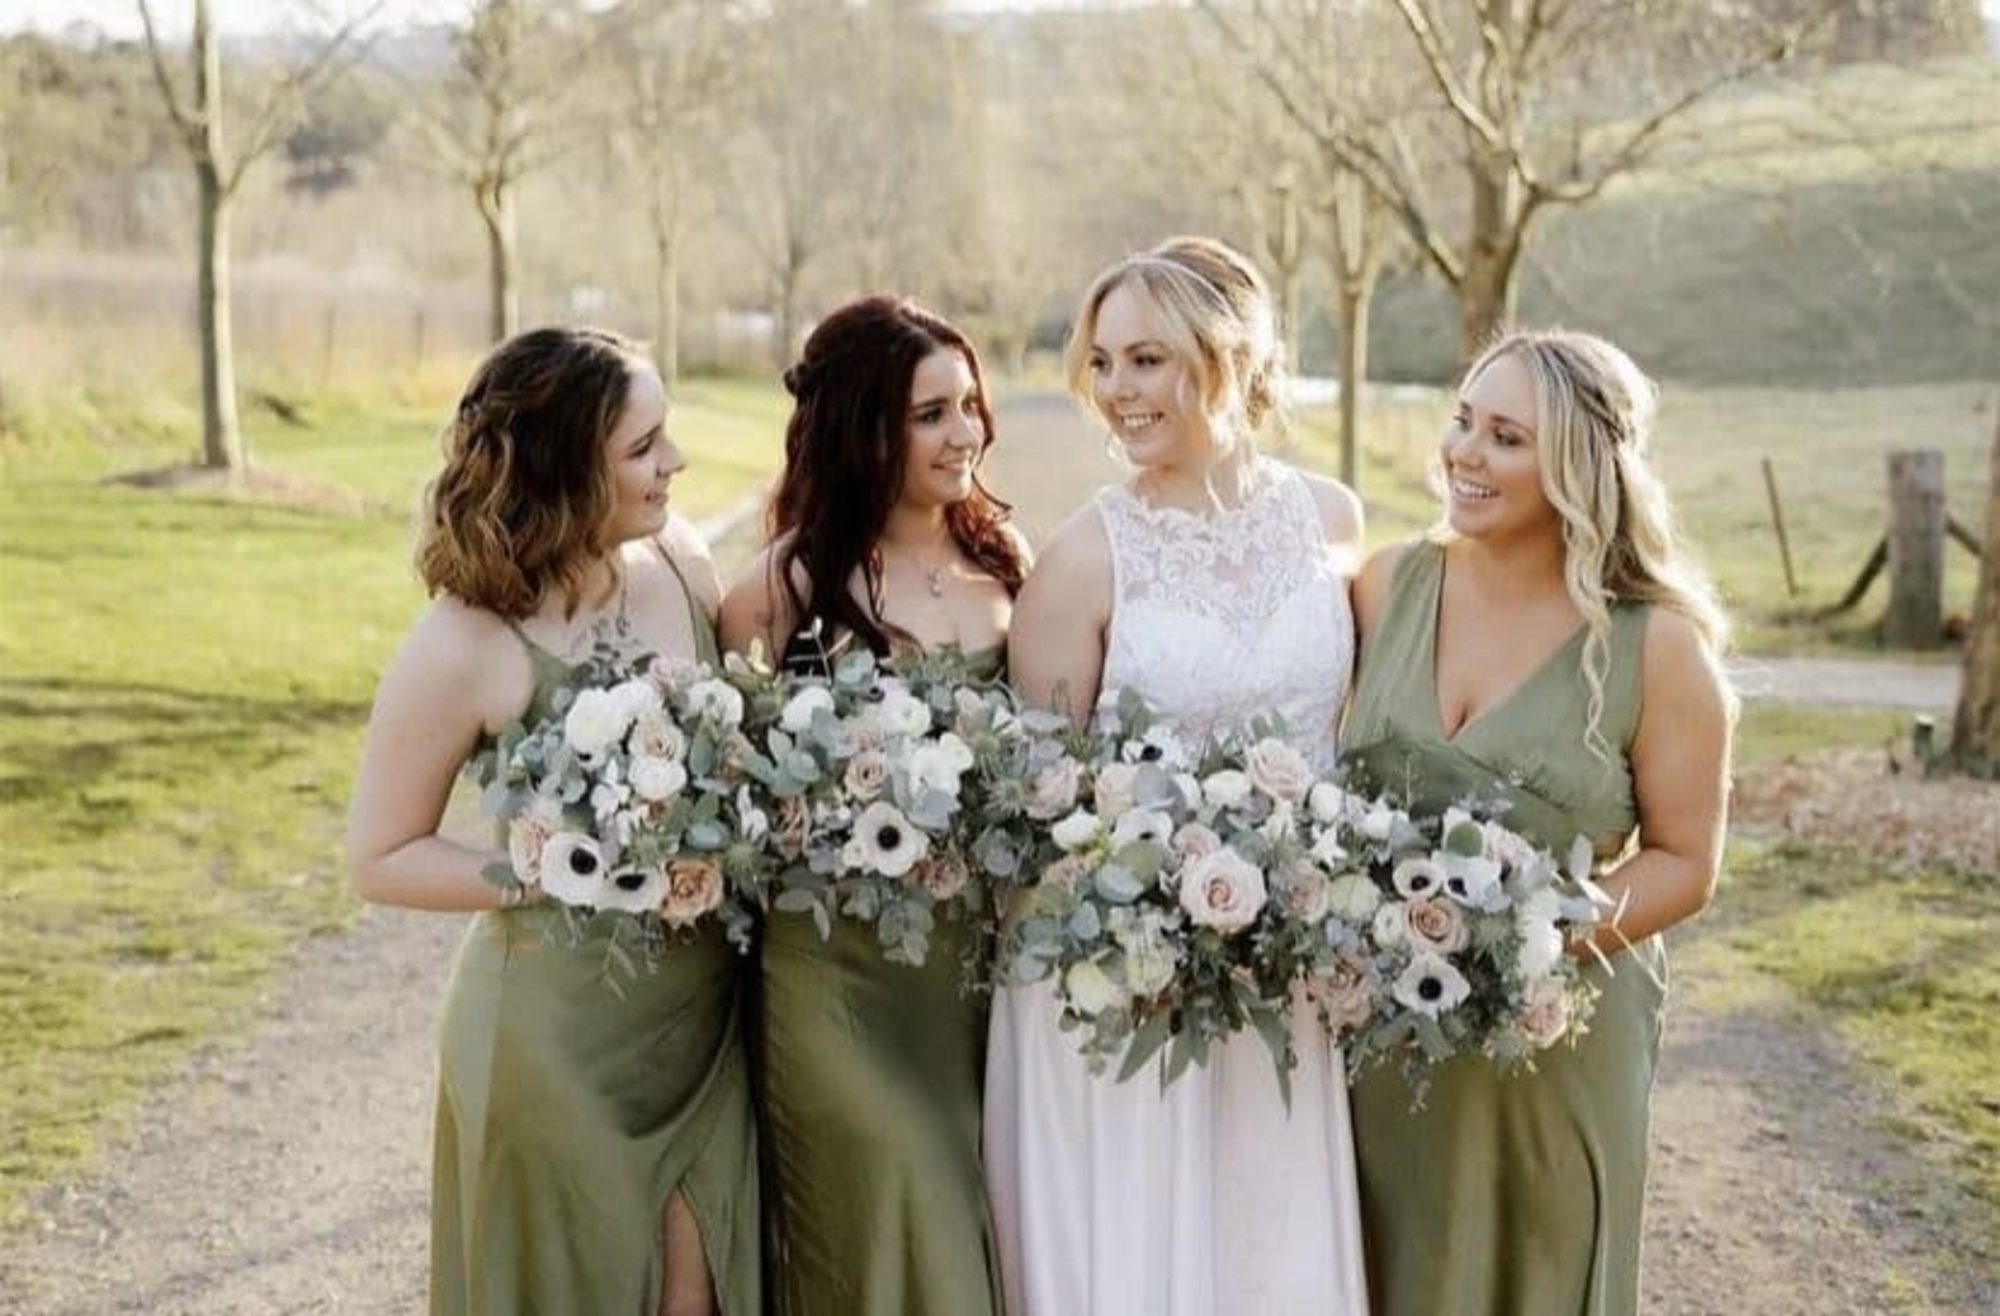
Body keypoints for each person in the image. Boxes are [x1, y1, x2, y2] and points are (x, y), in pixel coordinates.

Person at [984, 237, 1370, 1316]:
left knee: (1264, 1246)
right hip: (1128, 990)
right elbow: (1039, 814)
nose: (1115, 392)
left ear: (1229, 353)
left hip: (1285, 977)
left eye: (1145, 359)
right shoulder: (1080, 560)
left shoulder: (1331, 520)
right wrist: (1158, 909)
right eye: (1100, 363)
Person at [345, 327, 758, 1316]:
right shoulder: (463, 640)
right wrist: (553, 866)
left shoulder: (680, 557)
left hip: (706, 1027)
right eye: (643, 445)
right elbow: (379, 856)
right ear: (570, 464)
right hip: (552, 1043)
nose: (675, 462)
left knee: (699, 1291)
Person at [1341, 329, 1732, 1315]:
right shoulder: (1385, 585)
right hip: (1378, 1042)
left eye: (1505, 436)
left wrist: (1523, 940)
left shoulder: (1656, 646)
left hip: (1547, 1042)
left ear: (1577, 469)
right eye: (1463, 419)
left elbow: (1685, 859)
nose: (1463, 453)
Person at [718, 295, 1029, 1316]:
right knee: (895, 1206)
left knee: (975, 1218)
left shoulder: (1010, 570)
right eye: (930, 413)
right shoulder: (782, 589)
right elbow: (731, 795)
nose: (966, 433)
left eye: (968, 405)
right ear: (864, 428)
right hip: (832, 979)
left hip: (972, 979)